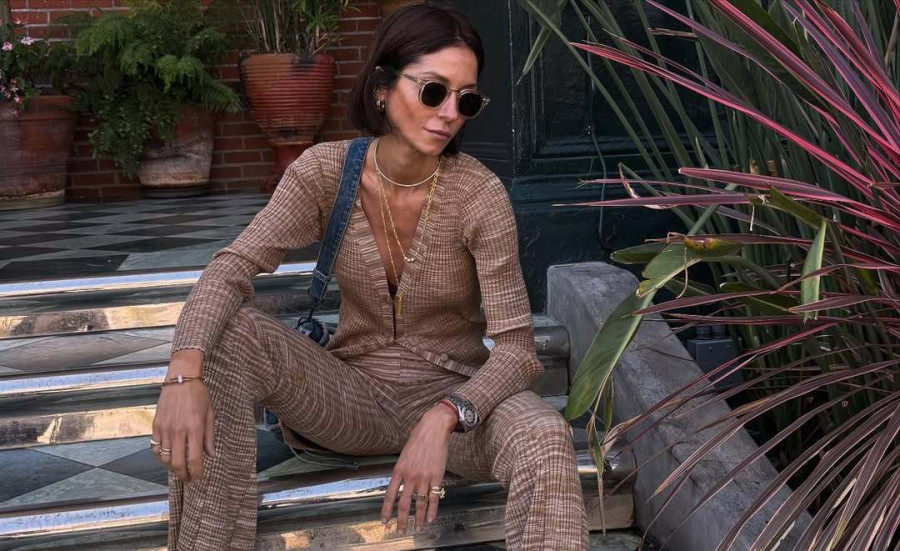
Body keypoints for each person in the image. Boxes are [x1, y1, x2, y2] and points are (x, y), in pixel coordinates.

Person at [150, 5, 588, 550]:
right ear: (382, 89)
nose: (449, 113)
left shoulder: (479, 194)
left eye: (466, 100)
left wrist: (445, 415)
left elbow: (518, 351)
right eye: (434, 91)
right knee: (227, 334)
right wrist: (182, 373)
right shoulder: (324, 171)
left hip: (457, 400)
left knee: (544, 435)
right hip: (351, 398)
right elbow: (232, 266)